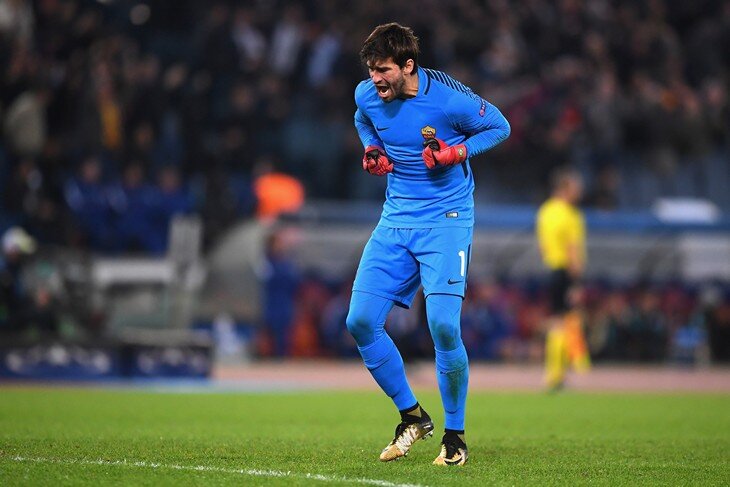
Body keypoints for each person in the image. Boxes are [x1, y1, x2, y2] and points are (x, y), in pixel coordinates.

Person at [346, 23, 510, 466]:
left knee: (443, 327)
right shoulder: (367, 95)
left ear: (407, 66)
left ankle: (455, 437)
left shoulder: (449, 100)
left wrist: (456, 153)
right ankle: (413, 416)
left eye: (383, 70)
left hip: (446, 222)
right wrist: (372, 148)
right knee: (360, 321)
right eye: (370, 69)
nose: (374, 79)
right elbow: (363, 119)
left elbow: (499, 126)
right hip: (396, 220)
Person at [536, 167, 591, 391]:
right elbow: (572, 250)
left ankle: (556, 372)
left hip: (551, 269)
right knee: (568, 320)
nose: (580, 191)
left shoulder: (545, 211)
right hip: (565, 271)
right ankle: (568, 369)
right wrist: (576, 283)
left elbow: (542, 246)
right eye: (576, 187)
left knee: (558, 320)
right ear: (565, 188)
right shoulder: (571, 214)